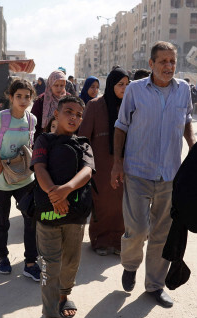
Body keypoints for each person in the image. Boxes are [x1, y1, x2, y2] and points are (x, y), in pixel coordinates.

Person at [111, 41, 196, 308]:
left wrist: (193, 149)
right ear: (151, 64)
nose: (169, 66)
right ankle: (130, 265)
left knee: (162, 232)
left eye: (172, 61)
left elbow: (187, 122)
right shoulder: (135, 90)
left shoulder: (184, 90)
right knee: (136, 229)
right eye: (163, 62)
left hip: (170, 173)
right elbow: (121, 126)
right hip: (137, 171)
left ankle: (155, 285)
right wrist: (116, 163)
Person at [31, 96, 95, 318]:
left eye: (79, 115)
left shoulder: (84, 144)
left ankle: (64, 295)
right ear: (56, 115)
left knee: (71, 262)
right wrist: (54, 196)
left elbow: (87, 171)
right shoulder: (43, 140)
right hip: (47, 216)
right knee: (49, 268)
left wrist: (66, 190)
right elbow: (39, 168)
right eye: (69, 111)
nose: (74, 117)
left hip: (75, 216)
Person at [0, 79, 41, 281]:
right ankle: (3, 258)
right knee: (1, 223)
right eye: (18, 96)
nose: (23, 100)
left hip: (25, 179)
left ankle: (30, 263)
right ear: (10, 97)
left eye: (27, 96)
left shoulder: (32, 120)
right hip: (1, 180)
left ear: (32, 98)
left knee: (31, 221)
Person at [79, 67, 129, 256]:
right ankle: (100, 241)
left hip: (125, 163)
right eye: (120, 84)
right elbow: (83, 137)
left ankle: (117, 241)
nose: (124, 88)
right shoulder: (94, 105)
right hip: (100, 165)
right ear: (111, 85)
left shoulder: (130, 105)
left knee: (121, 204)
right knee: (101, 204)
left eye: (127, 84)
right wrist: (85, 164)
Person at [31, 70, 69, 137]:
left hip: (65, 139)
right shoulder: (41, 100)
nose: (59, 88)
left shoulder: (69, 99)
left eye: (62, 85)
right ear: (50, 84)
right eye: (56, 85)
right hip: (45, 140)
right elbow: (34, 124)